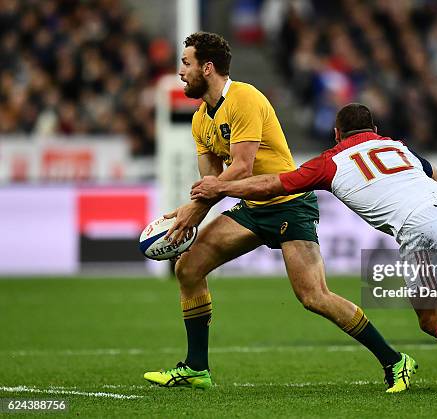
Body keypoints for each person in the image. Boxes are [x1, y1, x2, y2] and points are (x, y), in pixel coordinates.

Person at [191, 103, 437, 394]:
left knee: (431, 317)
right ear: (373, 130)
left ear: (336, 134)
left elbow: (273, 184)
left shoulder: (330, 161)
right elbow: (436, 175)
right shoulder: (396, 145)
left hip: (421, 224)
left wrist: (222, 189)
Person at [144, 33, 415, 393]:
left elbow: (240, 168)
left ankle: (395, 360)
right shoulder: (200, 121)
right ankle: (197, 368)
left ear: (207, 68)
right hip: (253, 208)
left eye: (186, 63)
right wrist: (188, 212)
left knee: (314, 296)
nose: (181, 72)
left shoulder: (245, 98)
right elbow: (211, 182)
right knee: (189, 268)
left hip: (290, 203)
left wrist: (194, 208)